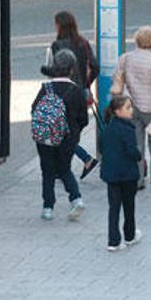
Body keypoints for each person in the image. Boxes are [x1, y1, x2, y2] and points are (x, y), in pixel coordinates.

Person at [110, 26, 151, 189]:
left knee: (137, 144)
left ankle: (137, 178)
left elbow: (117, 76)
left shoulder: (126, 57)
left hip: (131, 106)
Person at [33, 49, 88, 221]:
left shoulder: (45, 88)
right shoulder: (76, 91)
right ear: (72, 69)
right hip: (67, 138)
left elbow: (34, 110)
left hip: (45, 138)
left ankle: (48, 207)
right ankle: (76, 198)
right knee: (64, 169)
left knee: (47, 171)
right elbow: (84, 119)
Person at [45, 11, 100, 179]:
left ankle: (83, 160)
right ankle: (66, 168)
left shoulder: (57, 45)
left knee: (61, 133)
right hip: (80, 93)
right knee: (71, 131)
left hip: (62, 93)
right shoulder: (83, 43)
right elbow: (95, 66)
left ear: (59, 26)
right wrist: (85, 85)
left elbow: (52, 71)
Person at [99, 95, 143, 251]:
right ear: (117, 111)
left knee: (114, 207)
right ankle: (129, 235)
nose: (131, 111)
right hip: (127, 174)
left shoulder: (107, 128)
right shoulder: (127, 129)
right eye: (128, 108)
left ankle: (113, 240)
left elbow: (101, 148)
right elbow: (132, 151)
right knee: (129, 206)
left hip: (111, 174)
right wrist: (139, 156)